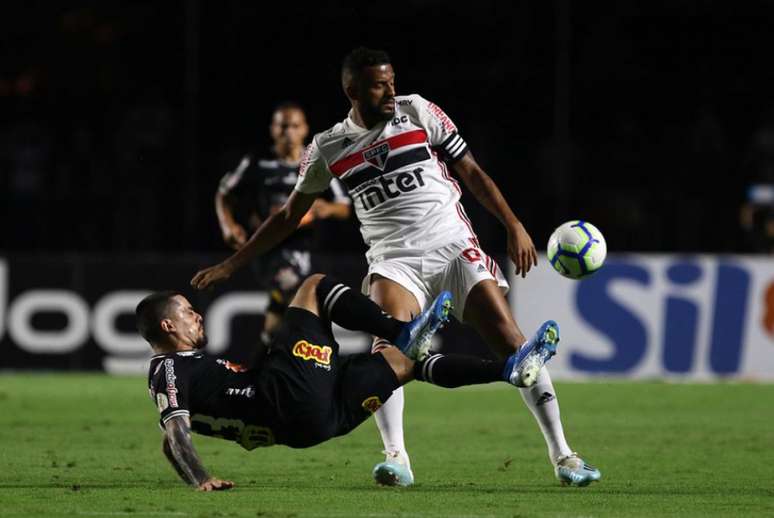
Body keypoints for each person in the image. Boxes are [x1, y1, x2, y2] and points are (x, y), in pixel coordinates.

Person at [191, 47, 601, 488]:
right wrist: (232, 264)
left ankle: (565, 456)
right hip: (393, 259)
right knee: (390, 350)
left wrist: (514, 225)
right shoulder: (328, 146)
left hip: (453, 246)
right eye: (379, 85)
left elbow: (473, 172)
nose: (391, 90)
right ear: (352, 90)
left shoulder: (419, 111)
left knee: (515, 345)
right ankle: (396, 458)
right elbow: (288, 216)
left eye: (392, 81)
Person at [137, 274, 560, 490]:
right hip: (283, 393)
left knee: (403, 365)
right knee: (315, 287)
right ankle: (400, 329)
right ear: (167, 324)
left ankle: (507, 370)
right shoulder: (169, 368)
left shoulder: (177, 374)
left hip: (312, 427)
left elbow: (169, 440)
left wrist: (192, 472)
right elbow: (175, 430)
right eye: (188, 311)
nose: (197, 315)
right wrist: (200, 479)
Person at [216, 102, 351, 347]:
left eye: (294, 126)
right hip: (269, 248)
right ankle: (312, 359)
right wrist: (228, 225)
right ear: (273, 129)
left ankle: (268, 352)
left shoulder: (316, 163)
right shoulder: (257, 162)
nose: (288, 132)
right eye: (283, 126)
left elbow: (344, 207)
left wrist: (323, 209)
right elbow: (224, 193)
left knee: (285, 311)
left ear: (305, 129)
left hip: (307, 249)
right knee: (296, 293)